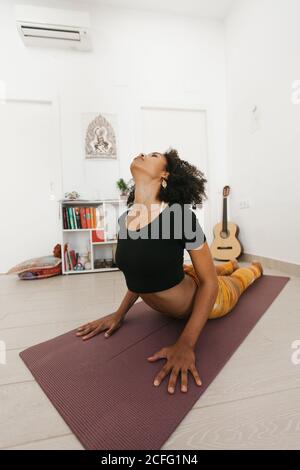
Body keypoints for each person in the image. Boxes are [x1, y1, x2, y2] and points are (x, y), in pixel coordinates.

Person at [76, 149, 263, 395]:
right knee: (213, 268)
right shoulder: (124, 220)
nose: (142, 153)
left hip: (207, 297)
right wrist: (118, 314)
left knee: (238, 280)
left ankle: (253, 268)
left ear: (165, 174)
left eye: (153, 155)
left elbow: (209, 283)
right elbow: (138, 274)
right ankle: (227, 265)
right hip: (181, 275)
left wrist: (186, 344)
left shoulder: (180, 217)